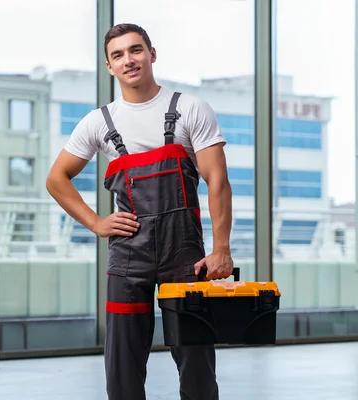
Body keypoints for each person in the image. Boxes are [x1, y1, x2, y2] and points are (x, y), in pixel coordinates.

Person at [45, 23, 234, 400]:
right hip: (128, 257)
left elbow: (218, 182)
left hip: (186, 258)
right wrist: (97, 223)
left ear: (152, 53)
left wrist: (221, 248)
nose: (128, 60)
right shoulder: (99, 122)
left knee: (197, 362)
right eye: (118, 55)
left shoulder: (189, 109)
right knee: (123, 365)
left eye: (135, 50)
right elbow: (57, 179)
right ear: (109, 66)